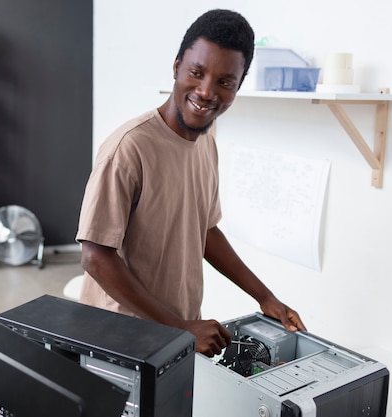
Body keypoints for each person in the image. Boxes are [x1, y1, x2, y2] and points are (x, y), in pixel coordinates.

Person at [76, 9, 306, 357]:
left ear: (237, 87)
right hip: (120, 338)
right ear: (176, 67)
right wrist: (179, 327)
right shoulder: (128, 149)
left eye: (225, 82)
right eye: (196, 73)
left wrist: (265, 296)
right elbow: (95, 257)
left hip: (175, 334)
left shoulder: (206, 144)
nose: (206, 91)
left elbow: (206, 232)